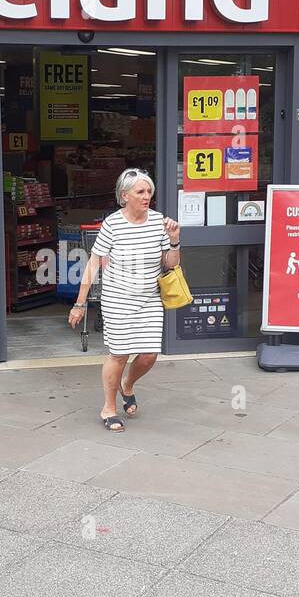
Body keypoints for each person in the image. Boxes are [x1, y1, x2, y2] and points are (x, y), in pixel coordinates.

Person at [68, 168, 180, 432]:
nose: (147, 196)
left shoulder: (159, 223)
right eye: (140, 191)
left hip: (150, 299)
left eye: (149, 191)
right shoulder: (113, 224)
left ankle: (127, 385)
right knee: (119, 354)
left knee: (149, 355)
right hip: (118, 299)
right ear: (124, 195)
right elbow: (93, 263)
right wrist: (80, 303)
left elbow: (171, 264)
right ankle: (109, 406)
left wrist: (174, 242)